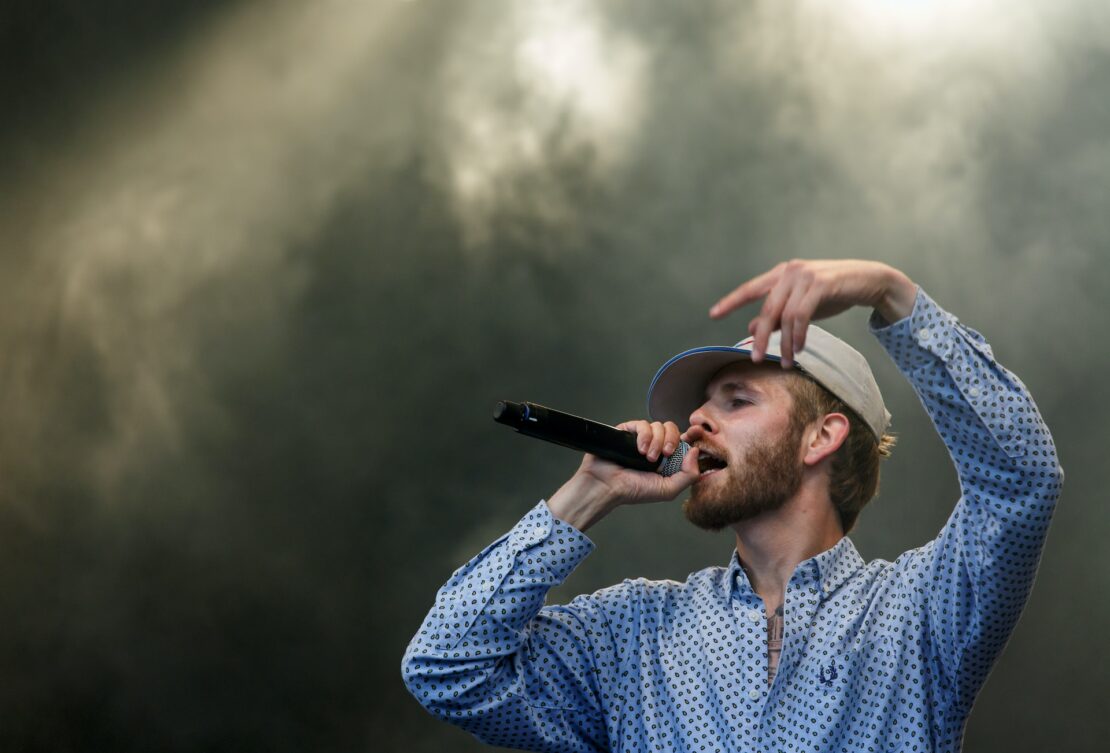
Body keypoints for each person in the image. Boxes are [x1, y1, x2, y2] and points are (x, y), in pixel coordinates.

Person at [401, 259, 1063, 752]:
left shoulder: (918, 612)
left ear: (821, 436)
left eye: (736, 400)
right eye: (698, 406)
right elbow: (447, 668)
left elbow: (1022, 477)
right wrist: (589, 491)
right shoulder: (636, 633)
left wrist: (888, 291)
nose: (694, 423)